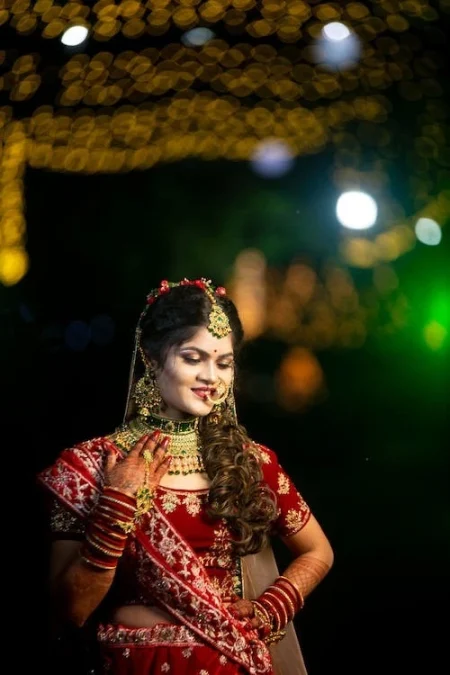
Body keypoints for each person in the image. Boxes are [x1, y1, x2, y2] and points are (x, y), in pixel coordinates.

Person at [37, 278, 334, 675]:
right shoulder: (90, 465)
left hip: (231, 663)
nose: (212, 377)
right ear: (152, 358)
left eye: (224, 363)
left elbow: (318, 551)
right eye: (193, 358)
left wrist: (269, 609)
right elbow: (71, 611)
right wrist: (116, 507)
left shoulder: (247, 462)